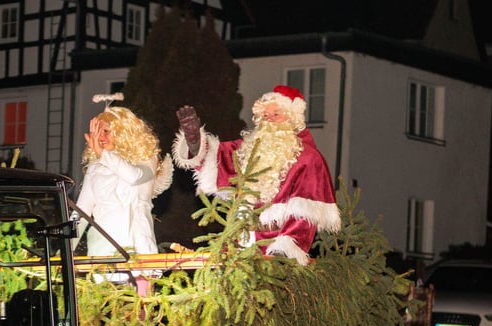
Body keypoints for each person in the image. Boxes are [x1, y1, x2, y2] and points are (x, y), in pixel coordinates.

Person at [173, 85, 341, 265]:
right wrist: (194, 140)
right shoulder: (248, 150)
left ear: (292, 118)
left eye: (276, 115)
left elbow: (304, 216)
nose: (269, 121)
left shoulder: (308, 158)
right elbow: (217, 157)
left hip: (277, 247)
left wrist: (284, 252)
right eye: (265, 116)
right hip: (241, 243)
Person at [75, 104, 173, 259]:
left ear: (122, 132)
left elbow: (134, 176)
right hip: (101, 254)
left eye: (106, 131)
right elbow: (81, 212)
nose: (101, 136)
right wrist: (63, 250)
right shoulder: (95, 168)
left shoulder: (146, 158)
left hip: (138, 250)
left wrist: (103, 154)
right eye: (98, 131)